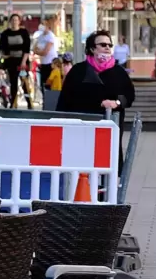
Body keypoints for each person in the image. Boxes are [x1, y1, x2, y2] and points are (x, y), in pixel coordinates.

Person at [57, 30, 135, 174]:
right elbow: (65, 100)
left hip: (109, 130)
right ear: (92, 49)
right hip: (82, 130)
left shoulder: (118, 72)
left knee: (107, 172)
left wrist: (116, 103)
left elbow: (129, 96)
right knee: (82, 172)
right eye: (103, 44)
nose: (107, 48)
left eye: (110, 45)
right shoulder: (78, 70)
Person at [0, 13, 31, 108]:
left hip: (22, 61)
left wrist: (24, 61)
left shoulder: (24, 32)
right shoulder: (5, 33)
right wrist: (3, 56)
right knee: (13, 83)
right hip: (11, 61)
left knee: (24, 82)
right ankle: (13, 103)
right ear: (10, 22)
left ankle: (29, 103)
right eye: (13, 20)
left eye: (16, 20)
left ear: (19, 21)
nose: (14, 22)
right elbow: (1, 47)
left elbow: (27, 48)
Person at [33, 16, 58, 88]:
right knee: (43, 84)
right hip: (43, 63)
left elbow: (45, 52)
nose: (42, 26)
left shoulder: (50, 36)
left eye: (44, 24)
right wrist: (38, 51)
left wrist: (38, 51)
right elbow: (34, 48)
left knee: (49, 84)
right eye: (41, 23)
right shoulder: (40, 36)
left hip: (50, 63)